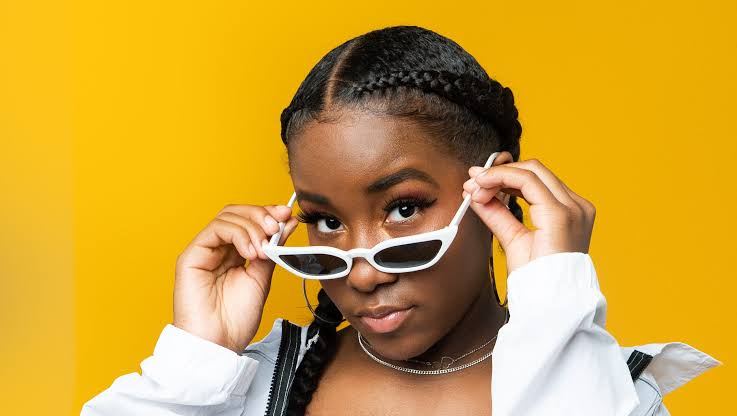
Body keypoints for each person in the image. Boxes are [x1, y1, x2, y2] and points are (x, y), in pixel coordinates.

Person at [81, 25, 720, 416]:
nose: (362, 273)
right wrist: (196, 359)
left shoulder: (602, 390)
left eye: (404, 209)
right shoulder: (252, 387)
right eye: (324, 220)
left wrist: (555, 301)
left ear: (494, 190)